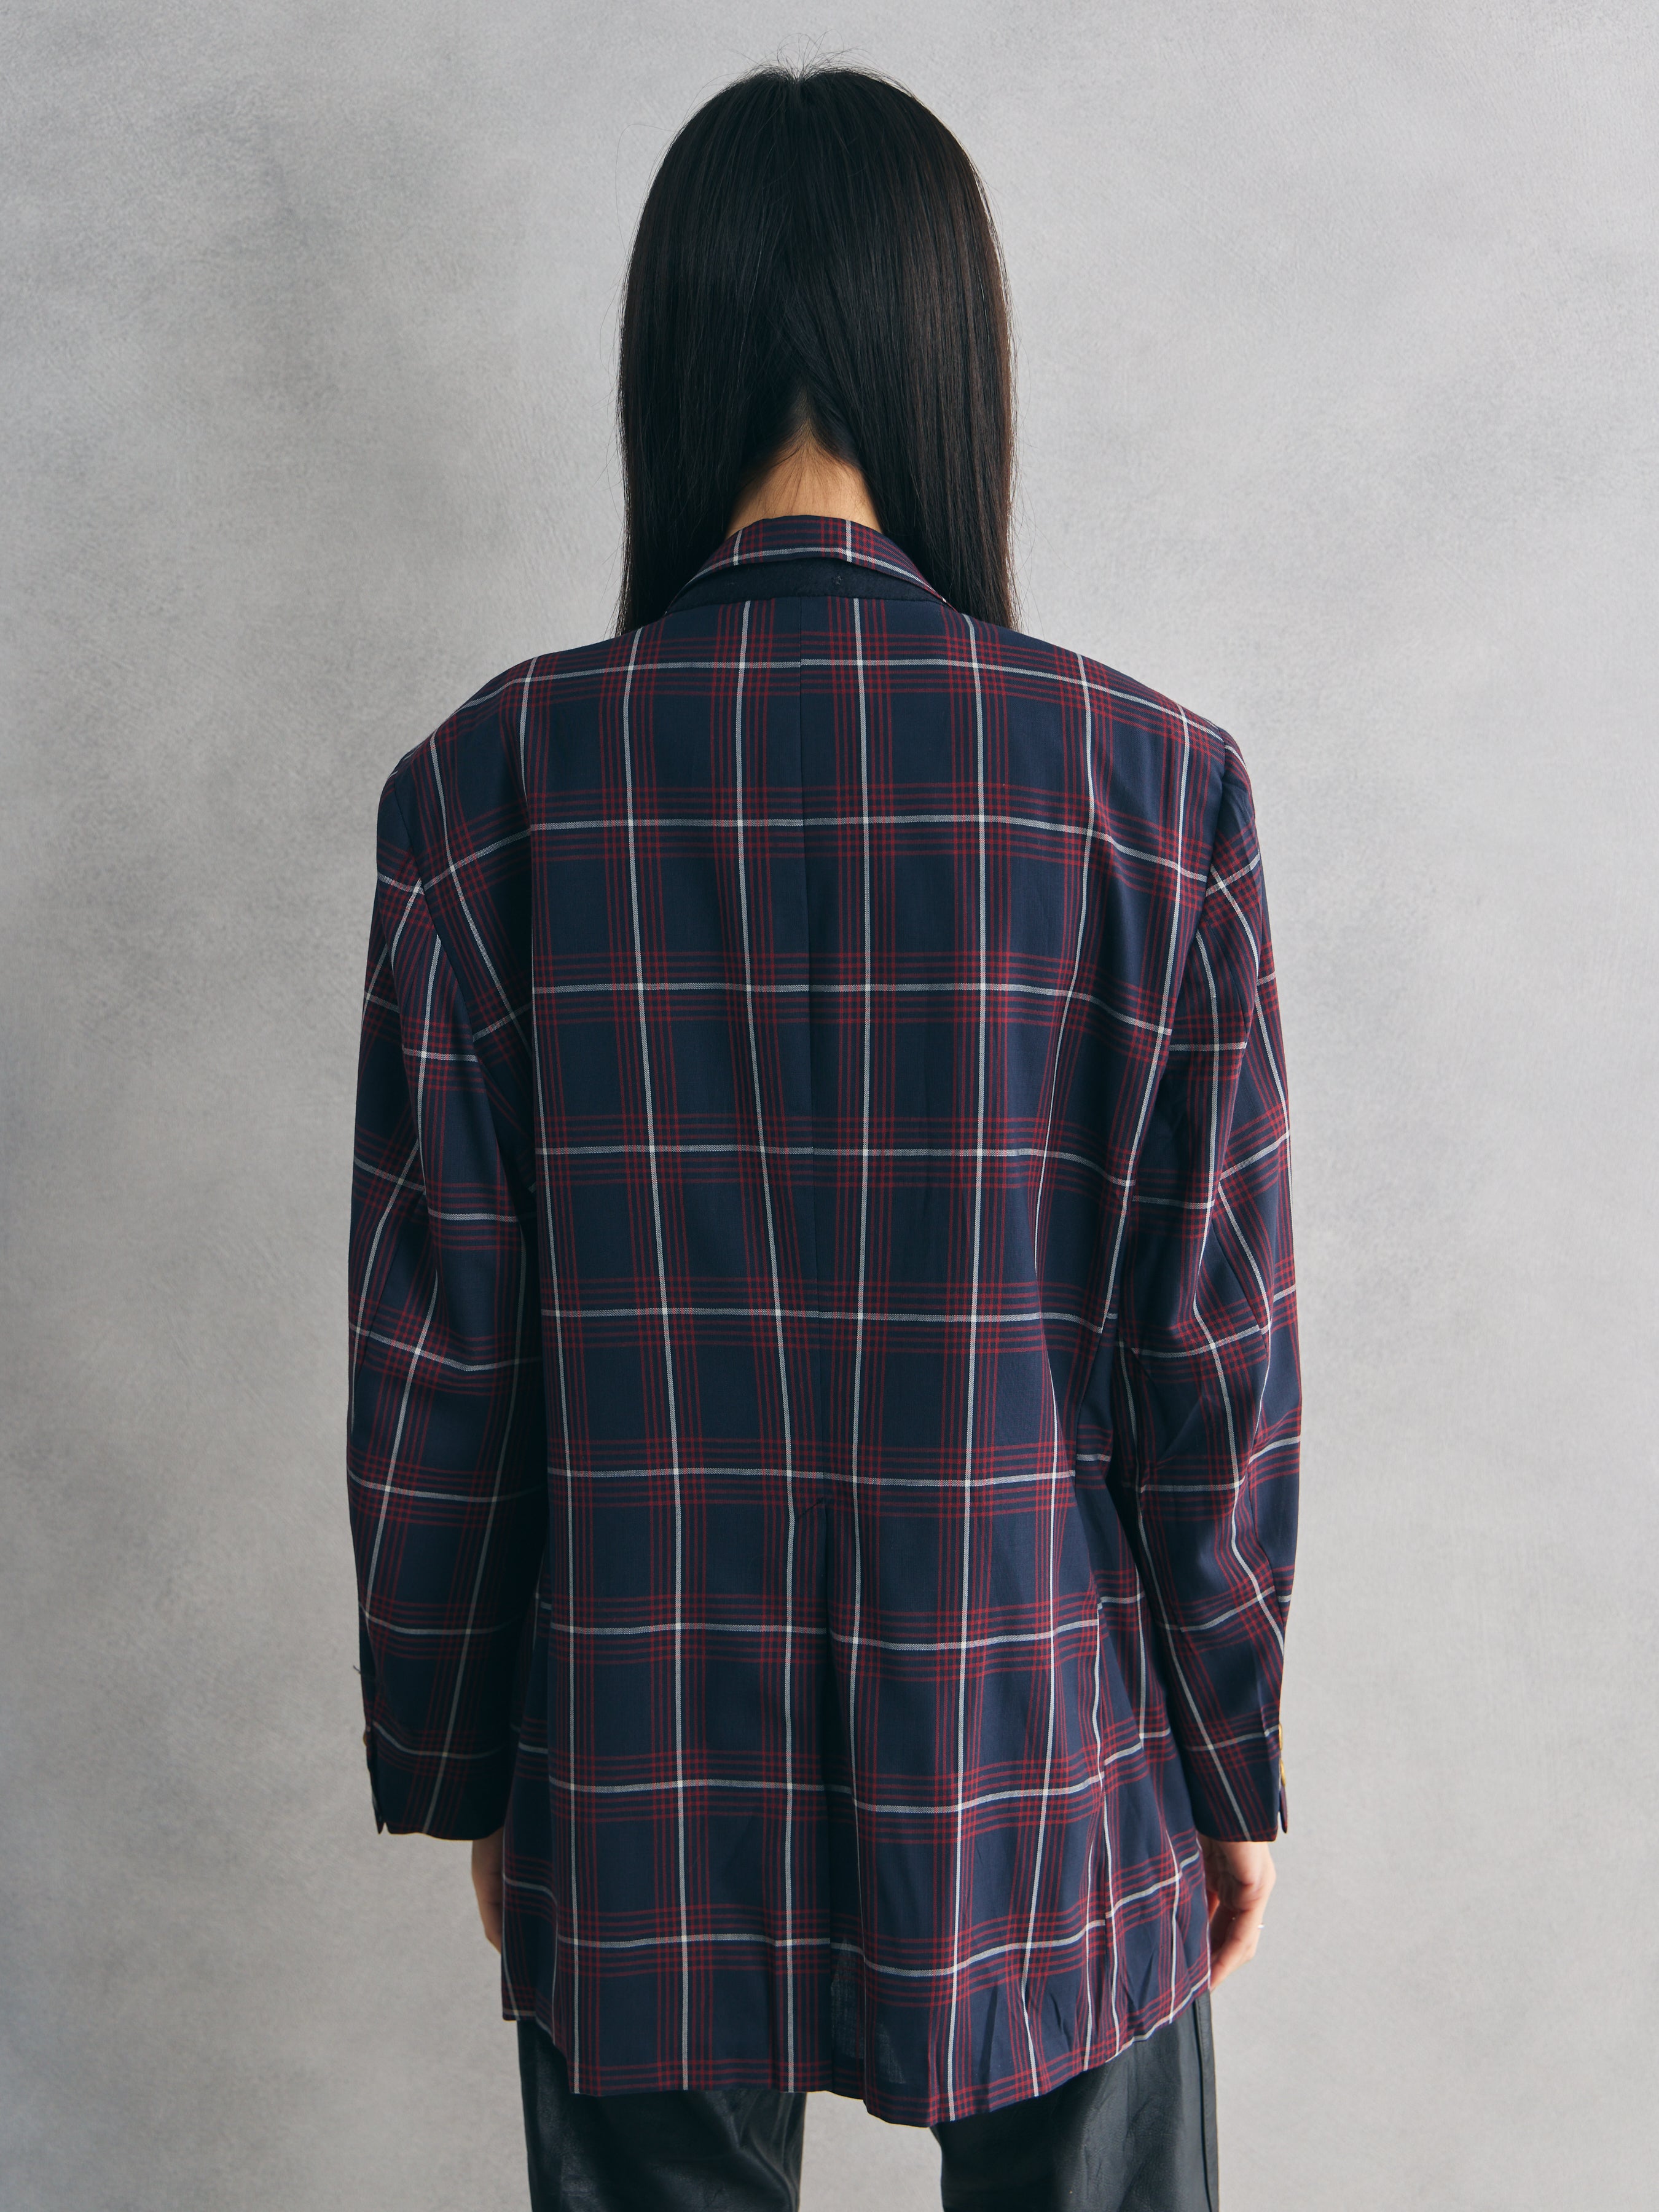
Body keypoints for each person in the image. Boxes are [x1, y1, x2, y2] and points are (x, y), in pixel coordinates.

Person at [347, 60, 1298, 2212]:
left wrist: (470, 1756)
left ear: (666, 360)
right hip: (1050, 1738)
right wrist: (1228, 1754)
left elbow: (438, 1357)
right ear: (951, 359)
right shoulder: (1152, 790)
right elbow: (1209, 1356)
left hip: (632, 1743)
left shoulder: (486, 791)